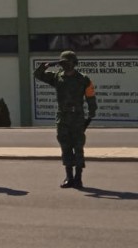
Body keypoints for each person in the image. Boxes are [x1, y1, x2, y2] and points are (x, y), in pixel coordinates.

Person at [34, 50, 97, 188]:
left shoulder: (83, 79)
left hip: (77, 117)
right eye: (64, 63)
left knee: (78, 147)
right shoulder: (57, 77)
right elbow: (37, 75)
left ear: (75, 63)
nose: (67, 65)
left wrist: (91, 113)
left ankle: (78, 177)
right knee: (65, 147)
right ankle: (69, 177)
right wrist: (47, 65)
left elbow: (90, 97)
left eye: (69, 62)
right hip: (63, 117)